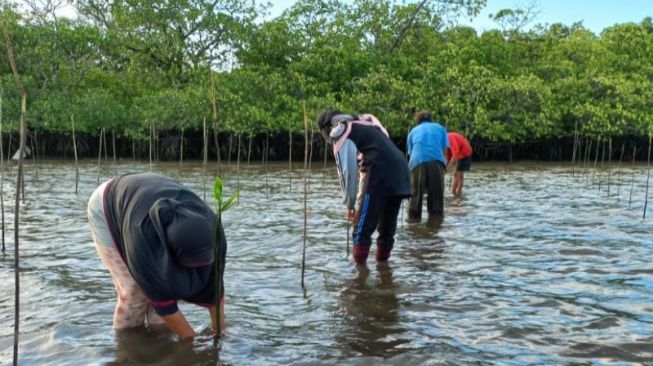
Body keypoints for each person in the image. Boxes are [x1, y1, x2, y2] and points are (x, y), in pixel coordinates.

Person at [87, 172, 226, 340]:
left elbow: (215, 288)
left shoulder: (215, 232)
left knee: (165, 289)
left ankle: (158, 345)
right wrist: (193, 343)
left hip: (146, 192)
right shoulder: (141, 238)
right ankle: (126, 351)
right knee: (134, 293)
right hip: (106, 205)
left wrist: (220, 334)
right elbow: (162, 300)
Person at [318, 109, 411, 264]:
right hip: (401, 169)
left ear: (326, 128)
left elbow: (347, 173)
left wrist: (350, 204)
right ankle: (385, 275)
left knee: (361, 231)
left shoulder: (341, 130)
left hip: (379, 171)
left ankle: (359, 279)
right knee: (387, 230)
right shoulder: (367, 122)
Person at [406, 110, 449, 220]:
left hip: (416, 162)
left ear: (418, 121)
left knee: (416, 194)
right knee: (436, 195)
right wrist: (444, 166)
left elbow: (411, 154)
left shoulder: (413, 131)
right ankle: (435, 222)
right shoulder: (440, 128)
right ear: (431, 119)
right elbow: (444, 151)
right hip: (436, 160)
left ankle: (413, 222)